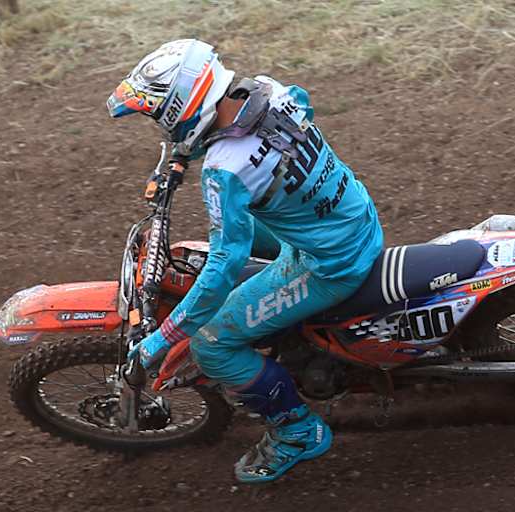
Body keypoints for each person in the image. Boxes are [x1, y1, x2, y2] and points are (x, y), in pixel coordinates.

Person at [107, 39, 383, 483]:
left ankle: (298, 431)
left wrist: (162, 340)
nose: (157, 127)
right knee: (243, 238)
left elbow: (223, 269)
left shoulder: (224, 172)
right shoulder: (268, 91)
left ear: (181, 108)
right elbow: (303, 104)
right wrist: (187, 154)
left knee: (212, 343)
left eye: (157, 117)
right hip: (347, 213)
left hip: (329, 261)